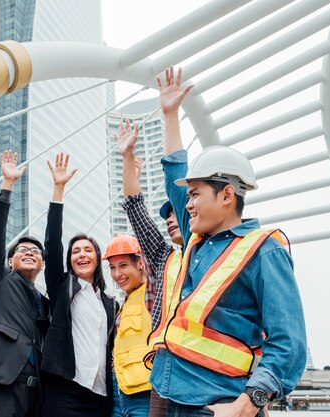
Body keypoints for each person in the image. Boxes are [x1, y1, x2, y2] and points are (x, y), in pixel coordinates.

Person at [149, 66, 307, 417]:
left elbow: (289, 344)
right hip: (167, 394)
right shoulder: (197, 239)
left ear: (226, 195)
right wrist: (170, 115)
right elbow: (175, 173)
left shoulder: (264, 250)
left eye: (194, 195)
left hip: (217, 405)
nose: (186, 204)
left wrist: (247, 405)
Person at [113, 118, 187, 417]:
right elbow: (135, 206)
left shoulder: (224, 256)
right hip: (162, 380)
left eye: (177, 213)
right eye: (165, 217)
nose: (170, 220)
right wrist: (127, 157)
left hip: (207, 379)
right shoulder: (163, 259)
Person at [41, 153, 117, 417]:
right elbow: (51, 246)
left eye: (88, 250)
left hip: (100, 395)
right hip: (65, 388)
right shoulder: (62, 288)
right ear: (70, 261)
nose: (82, 255)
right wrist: (58, 190)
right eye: (76, 252)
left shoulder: (110, 303)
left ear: (97, 258)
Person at [0, 150, 49, 417]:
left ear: (42, 264)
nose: (30, 252)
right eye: (22, 250)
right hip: (1, 381)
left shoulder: (44, 301)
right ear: (9, 262)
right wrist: (7, 186)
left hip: (37, 390)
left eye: (36, 252)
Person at [104, 234, 152, 417]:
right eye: (112, 268)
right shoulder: (124, 303)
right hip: (119, 392)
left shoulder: (152, 292)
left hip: (144, 394)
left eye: (123, 265)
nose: (117, 274)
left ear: (140, 263)